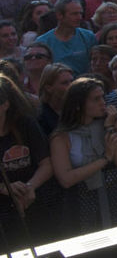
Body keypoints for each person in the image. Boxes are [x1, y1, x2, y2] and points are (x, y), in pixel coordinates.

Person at [49, 76, 117, 232]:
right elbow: (66, 179)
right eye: (95, 99)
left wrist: (109, 127)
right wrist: (105, 159)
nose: (103, 103)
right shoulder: (62, 137)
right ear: (79, 104)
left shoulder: (116, 123)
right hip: (81, 204)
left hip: (116, 197)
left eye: (103, 97)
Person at [0, 74, 53, 247]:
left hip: (34, 203)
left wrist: (29, 187)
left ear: (5, 104)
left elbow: (47, 163)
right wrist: (5, 188)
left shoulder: (25, 125)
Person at [36, 0, 97, 75]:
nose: (79, 17)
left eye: (80, 13)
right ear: (59, 15)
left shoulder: (88, 37)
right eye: (74, 14)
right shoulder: (43, 42)